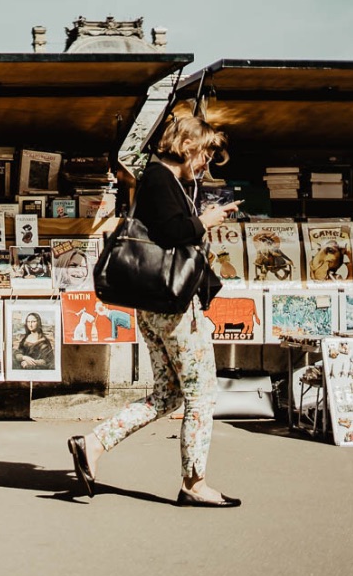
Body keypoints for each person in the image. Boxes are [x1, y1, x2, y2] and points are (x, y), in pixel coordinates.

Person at [68, 116, 242, 507]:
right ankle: (194, 483)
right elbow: (173, 233)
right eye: (204, 153)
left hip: (156, 307)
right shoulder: (160, 178)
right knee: (201, 393)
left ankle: (93, 444)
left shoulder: (161, 180)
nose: (206, 163)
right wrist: (206, 220)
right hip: (174, 310)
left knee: (168, 395)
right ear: (188, 145)